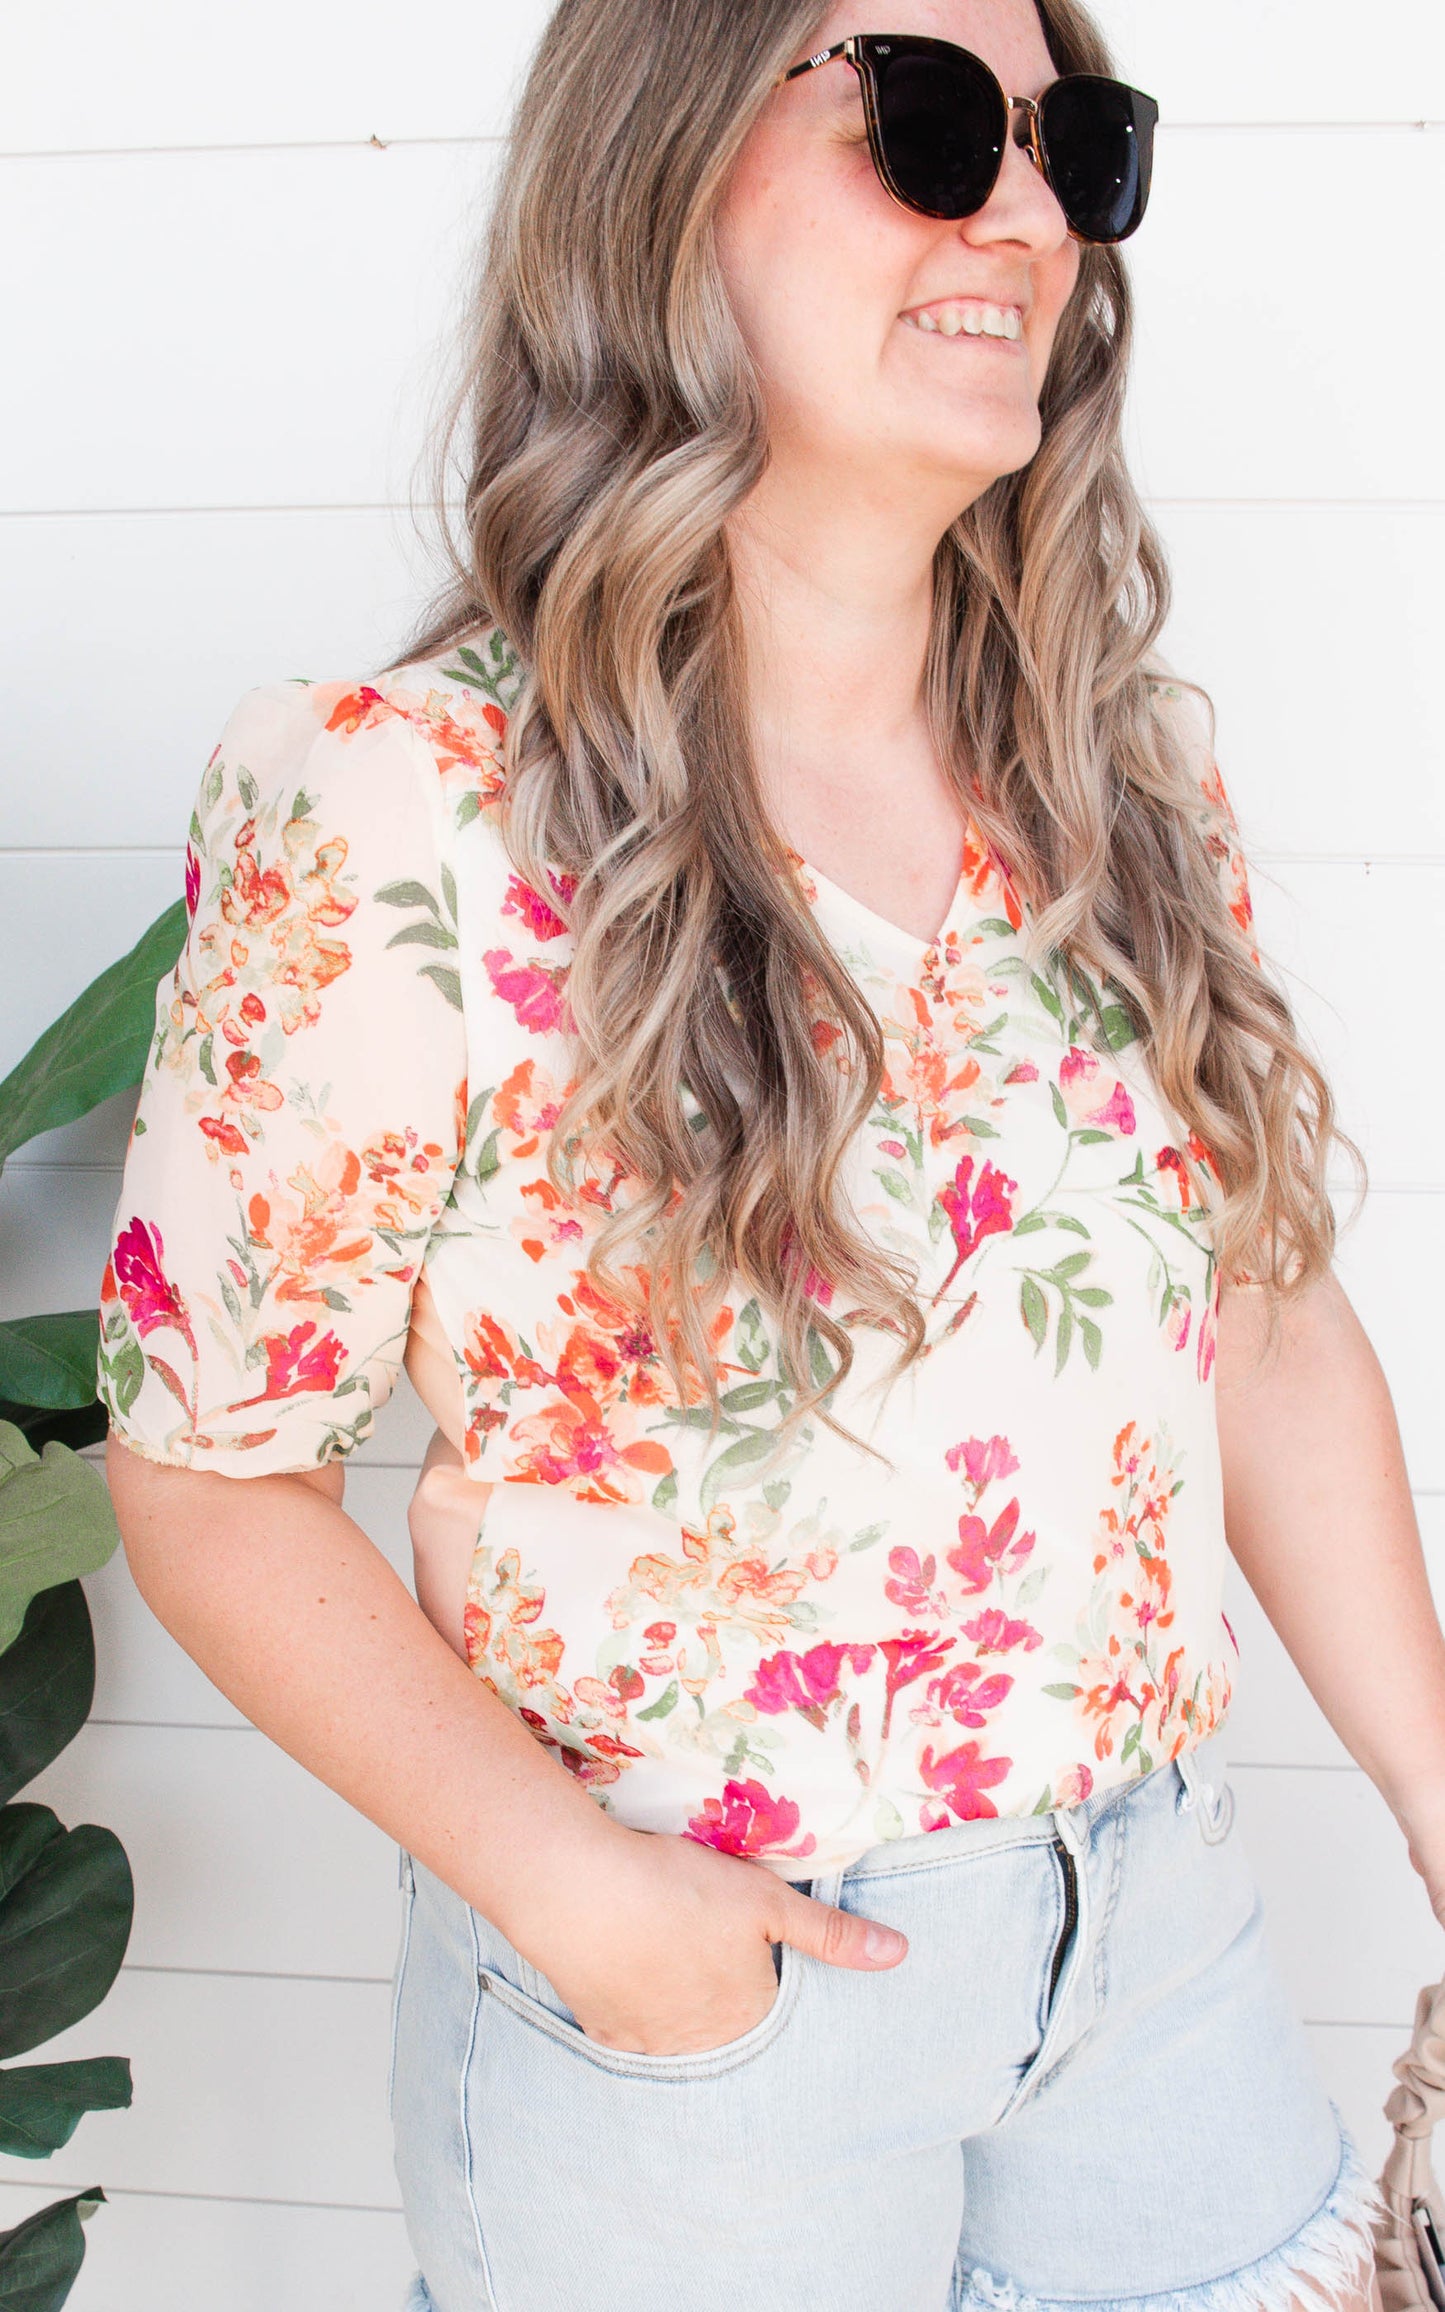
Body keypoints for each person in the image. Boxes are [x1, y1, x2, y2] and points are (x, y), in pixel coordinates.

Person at [97, 1, 1442, 2306]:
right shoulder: (405, 802)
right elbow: (209, 1468)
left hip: (1164, 1948)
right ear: (658, 172)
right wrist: (583, 1897)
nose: (1020, 212)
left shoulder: (1121, 780)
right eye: (927, 122)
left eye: (1068, 145)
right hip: (708, 2041)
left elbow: (1267, 1323)